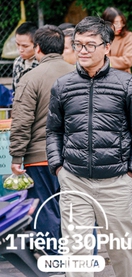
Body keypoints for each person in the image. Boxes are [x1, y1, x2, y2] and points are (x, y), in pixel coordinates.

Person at [46, 16, 132, 277]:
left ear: (107, 47)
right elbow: (53, 130)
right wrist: (59, 167)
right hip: (75, 180)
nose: (82, 50)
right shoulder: (63, 85)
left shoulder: (127, 84)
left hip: (116, 181)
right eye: (78, 44)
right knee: (76, 252)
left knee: (123, 252)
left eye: (90, 45)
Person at [9, 25, 73, 254]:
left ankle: (54, 259)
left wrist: (17, 155)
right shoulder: (81, 75)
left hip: (40, 157)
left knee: (46, 209)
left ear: (38, 49)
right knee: (77, 210)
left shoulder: (30, 78)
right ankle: (83, 259)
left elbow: (21, 121)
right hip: (75, 158)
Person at [102, 7, 132, 73]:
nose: (120, 26)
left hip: (123, 77)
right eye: (116, 23)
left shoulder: (127, 36)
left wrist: (103, 61)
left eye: (121, 22)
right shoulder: (100, 36)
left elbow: (128, 61)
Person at [12, 21, 39, 92]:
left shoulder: (42, 63)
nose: (20, 50)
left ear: (36, 44)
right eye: (17, 44)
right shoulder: (17, 62)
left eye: (25, 46)